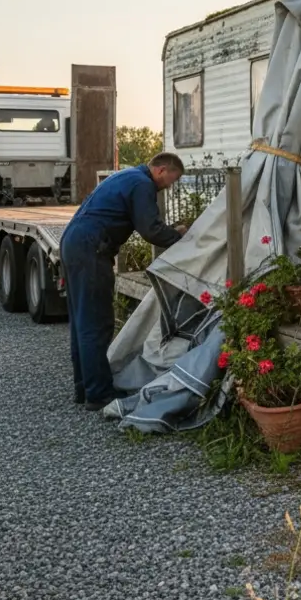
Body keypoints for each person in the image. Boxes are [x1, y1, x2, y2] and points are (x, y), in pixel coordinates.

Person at [61, 153, 188, 410]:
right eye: (170, 180)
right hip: (91, 248)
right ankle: (99, 394)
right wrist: (180, 236)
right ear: (161, 170)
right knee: (97, 322)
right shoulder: (143, 184)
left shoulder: (127, 175)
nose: (168, 186)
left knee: (82, 321)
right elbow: (151, 230)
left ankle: (84, 388)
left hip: (74, 242)